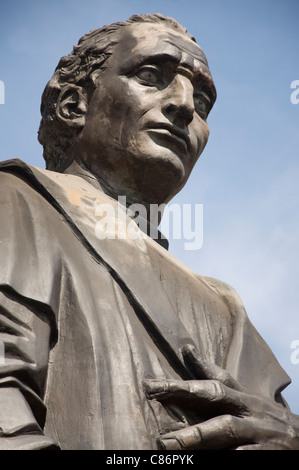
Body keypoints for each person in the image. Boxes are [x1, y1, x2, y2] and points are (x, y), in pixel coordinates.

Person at [0, 13, 298, 450]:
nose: (185, 105)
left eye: (203, 100)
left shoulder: (227, 308)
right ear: (73, 105)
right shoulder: (15, 203)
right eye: (150, 75)